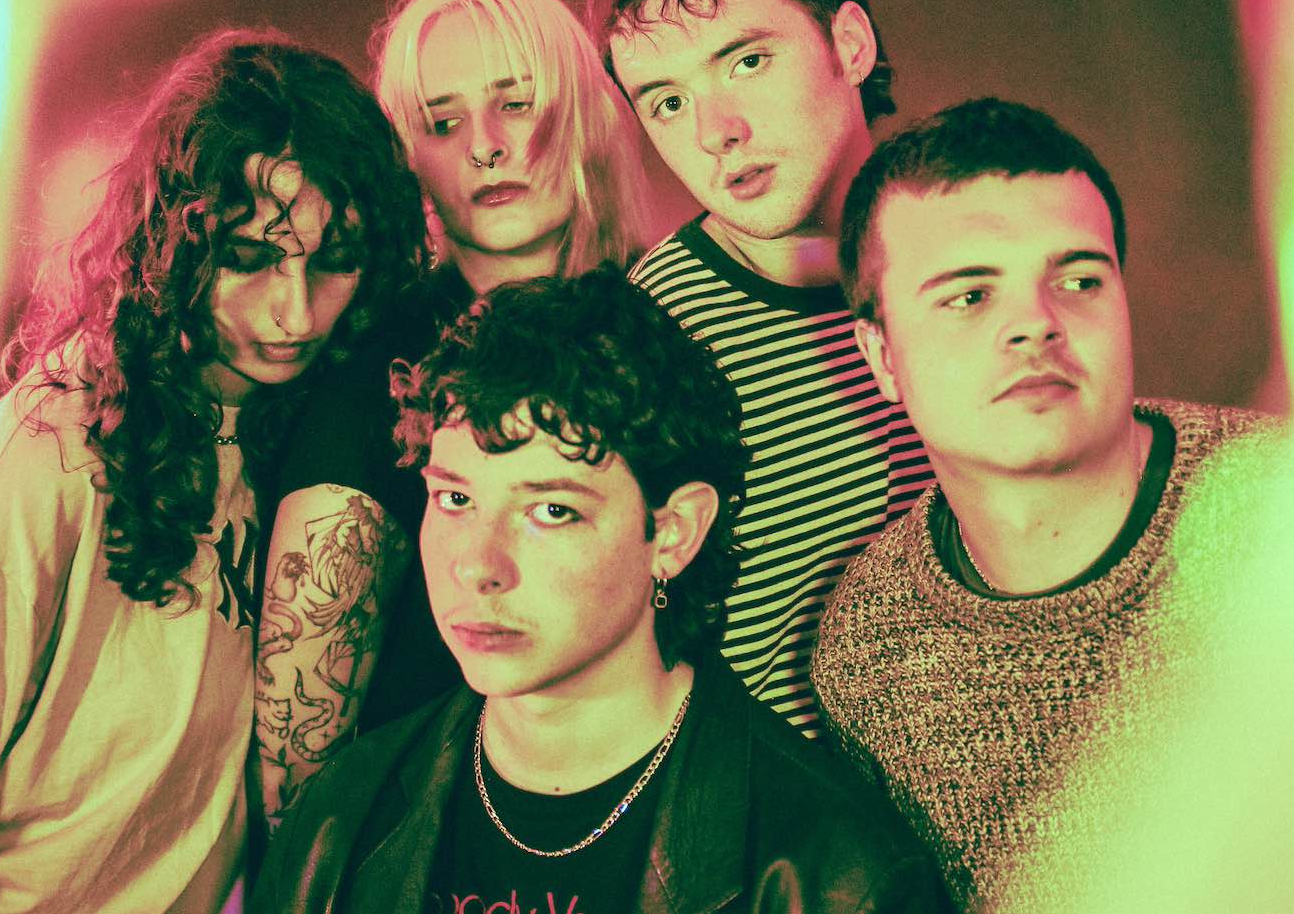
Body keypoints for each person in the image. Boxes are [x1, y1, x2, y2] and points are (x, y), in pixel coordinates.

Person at [253, 272, 950, 914]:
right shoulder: (343, 811)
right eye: (456, 498)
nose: (478, 566)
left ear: (673, 532)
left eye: (551, 510)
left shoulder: (836, 875)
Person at [0, 30, 424, 913]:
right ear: (176, 240)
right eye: (250, 257)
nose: (295, 311)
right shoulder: (47, 452)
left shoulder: (294, 431)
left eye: (334, 261)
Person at [810, 98, 1283, 911]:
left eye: (1078, 280)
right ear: (882, 356)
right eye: (969, 296)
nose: (1036, 323)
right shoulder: (868, 648)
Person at [254, 0, 652, 825]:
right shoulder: (376, 374)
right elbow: (295, 768)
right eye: (442, 122)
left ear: (585, 113)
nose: (485, 145)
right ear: (409, 158)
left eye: (516, 103)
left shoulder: (663, 325)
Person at [582, 0, 930, 734]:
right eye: (666, 101)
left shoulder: (976, 248)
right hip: (784, 815)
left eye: (745, 61)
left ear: (850, 44)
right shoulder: (647, 337)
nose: (715, 131)